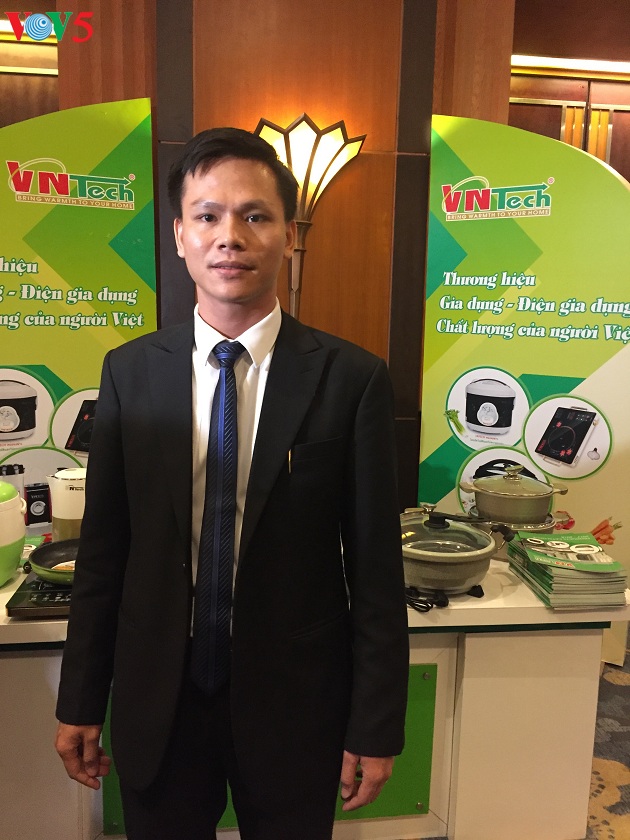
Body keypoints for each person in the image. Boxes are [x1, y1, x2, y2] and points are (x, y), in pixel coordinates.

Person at [55, 127, 409, 840]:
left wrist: (376, 724)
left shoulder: (352, 380)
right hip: (161, 699)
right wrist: (81, 698)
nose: (230, 237)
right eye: (208, 215)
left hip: (295, 704)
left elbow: (376, 572)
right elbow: (103, 554)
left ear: (288, 235)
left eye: (255, 215)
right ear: (180, 235)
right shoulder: (130, 373)